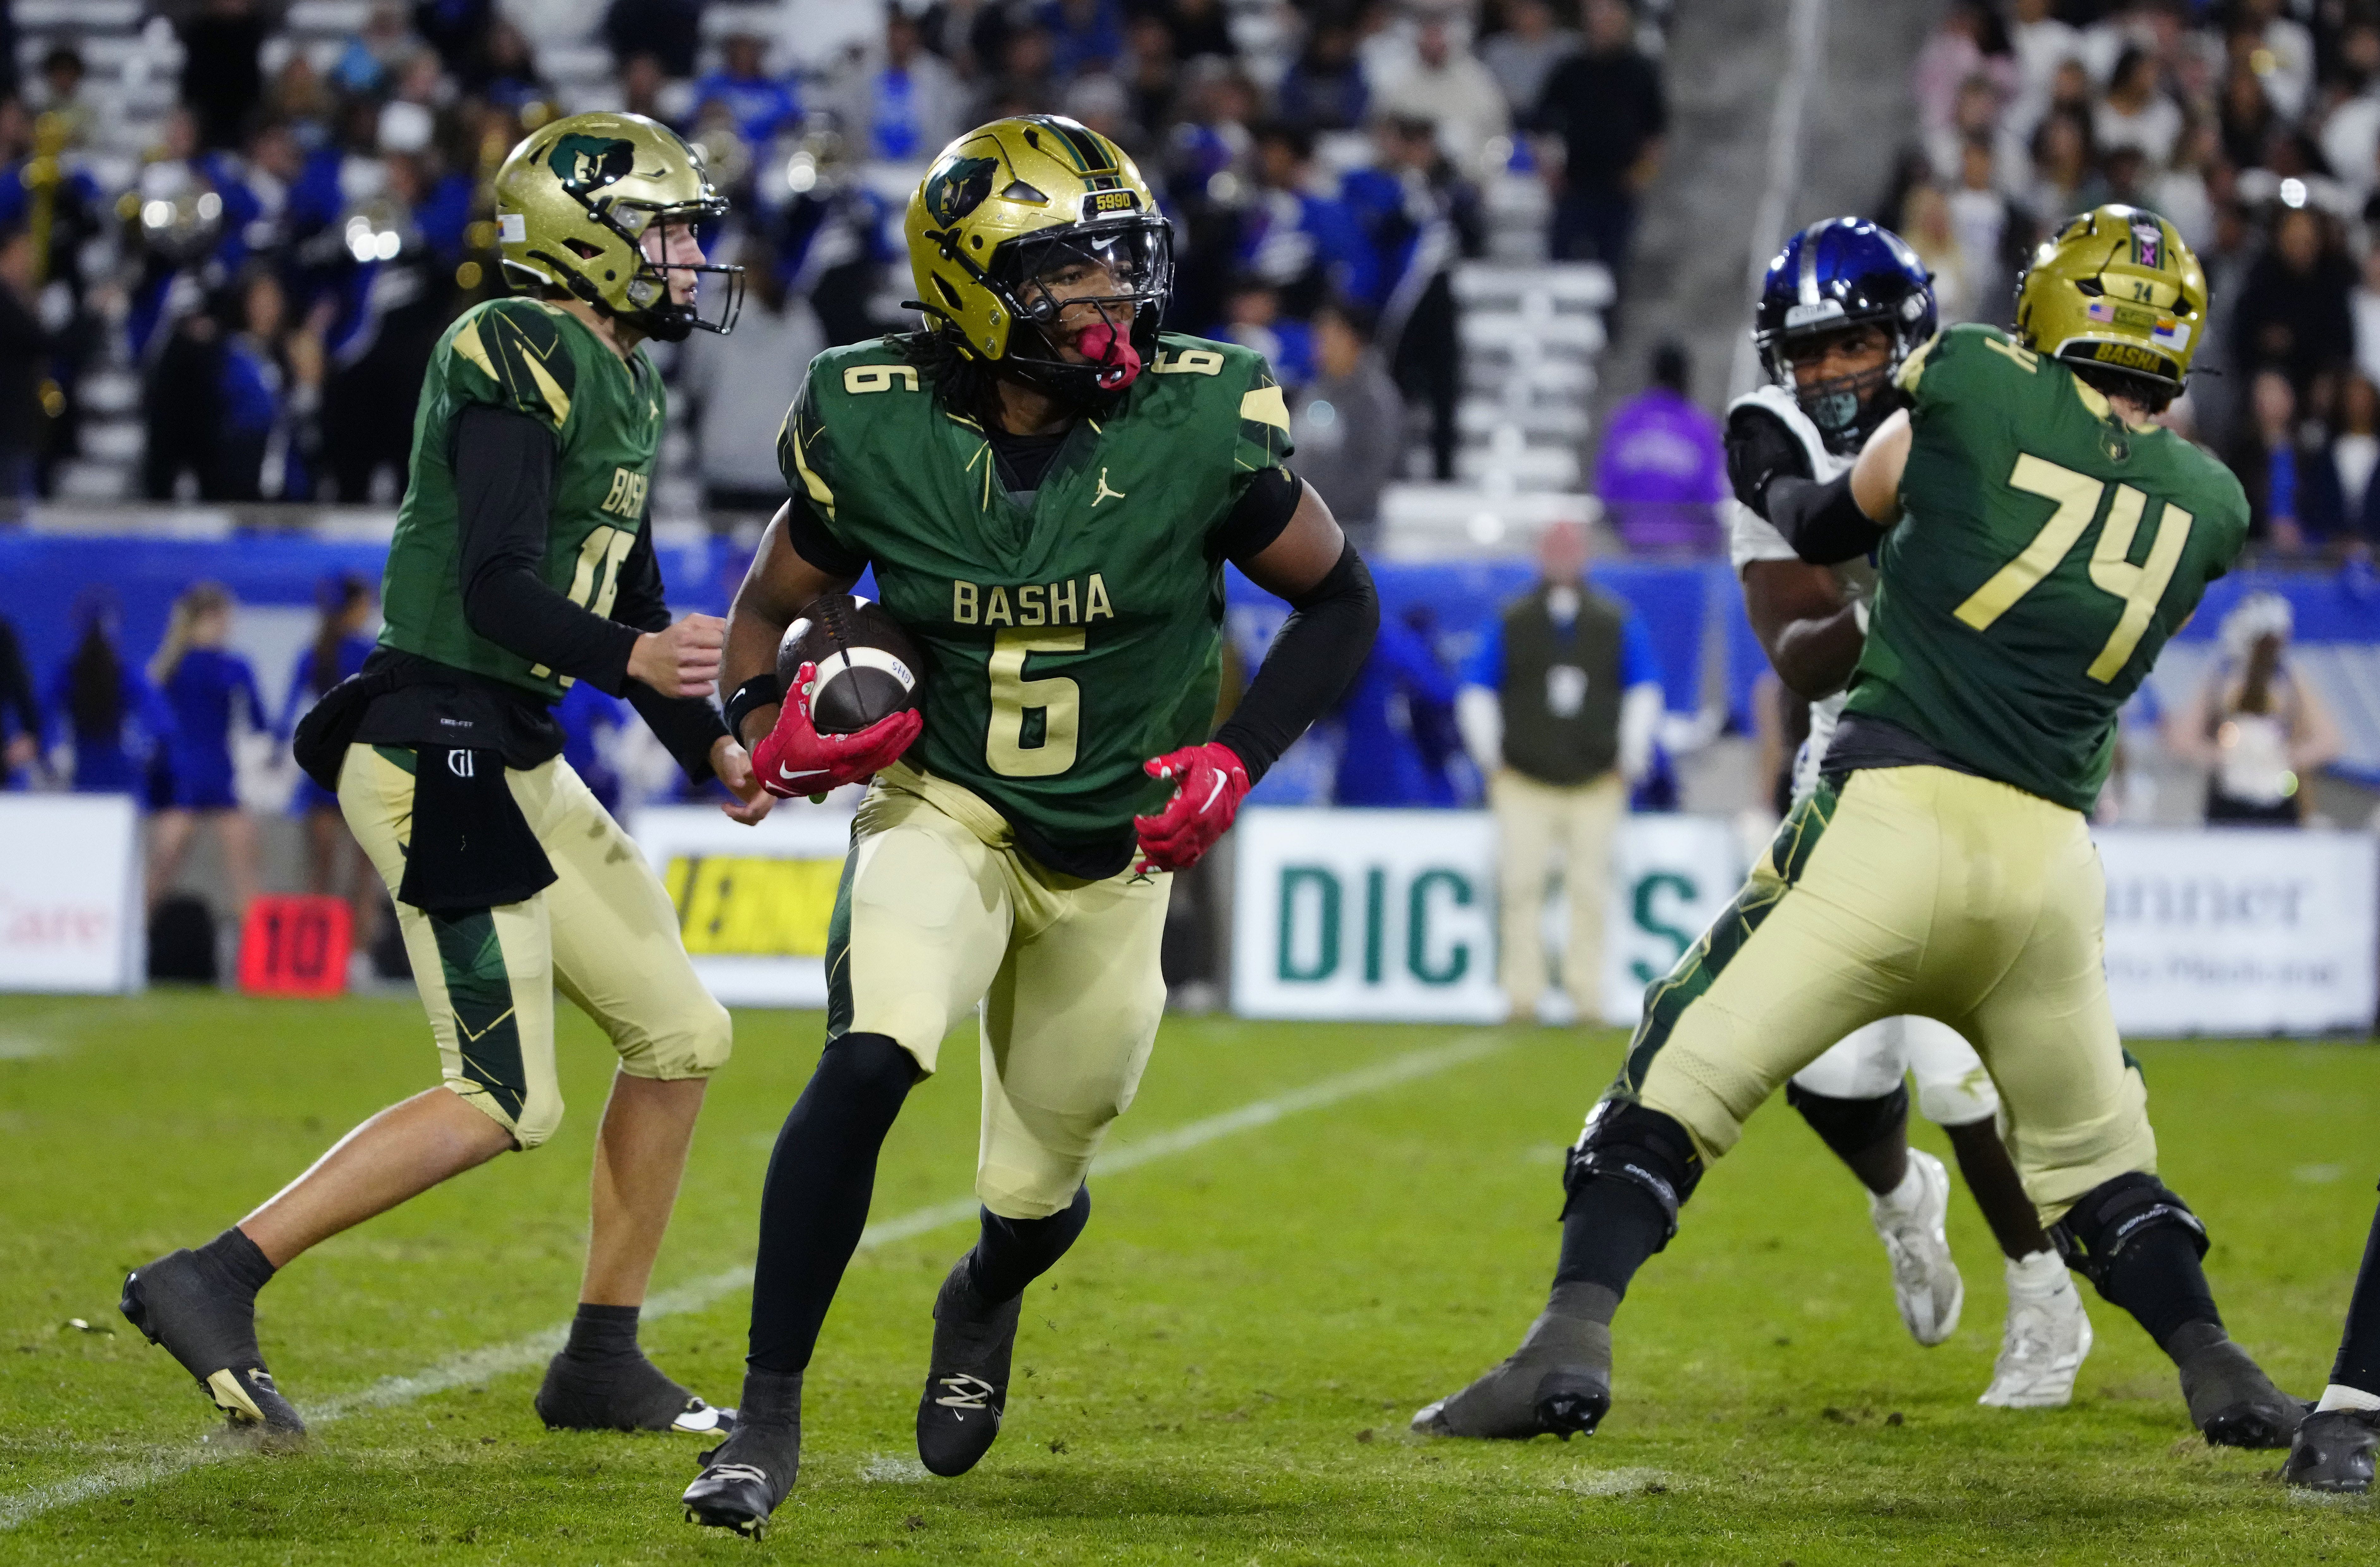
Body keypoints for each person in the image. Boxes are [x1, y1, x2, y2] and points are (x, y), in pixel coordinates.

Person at [1416, 206, 2306, 1458]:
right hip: (2047, 855)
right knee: (2100, 1162)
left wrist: (1785, 490)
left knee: (1680, 1066)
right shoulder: (2210, 501)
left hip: (1892, 810)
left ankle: (1564, 1339)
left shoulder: (1968, 382)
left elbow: (1831, 524)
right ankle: (2219, 1368)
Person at [678, 114, 1378, 1535]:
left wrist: (1237, 761)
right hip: (945, 804)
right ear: (975, 288)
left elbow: (1340, 600)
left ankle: (985, 1287)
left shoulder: (1202, 414)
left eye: (1117, 266)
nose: (1110, 301)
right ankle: (763, 1417)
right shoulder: (865, 412)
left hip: (1122, 841)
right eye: (1069, 272)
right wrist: (757, 729)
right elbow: (764, 610)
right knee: (874, 1051)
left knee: (1044, 1171)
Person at [118, 112, 763, 1450]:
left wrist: (709, 745)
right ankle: (213, 1276)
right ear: (589, 238)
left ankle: (599, 1357)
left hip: (510, 744)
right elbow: (497, 590)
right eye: (669, 228)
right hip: (437, 743)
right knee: (502, 1094)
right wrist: (639, 652)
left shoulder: (627, 373)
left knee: (683, 1035)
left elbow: (625, 605)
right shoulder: (508, 345)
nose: (693, 252)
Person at [1722, 216, 2092, 1409]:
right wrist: (1906, 609)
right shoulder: (1763, 434)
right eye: (1810, 350)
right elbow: (1796, 652)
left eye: (1855, 343)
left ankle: (2044, 1293)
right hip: (1847, 765)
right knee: (1823, 1072)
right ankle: (1899, 1197)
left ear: (1909, 333)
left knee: (1953, 1063)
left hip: (1982, 760)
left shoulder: (1973, 407)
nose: (1829, 370)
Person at [1455, 520, 1662, 1027]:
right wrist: (1491, 757)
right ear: (1540, 555)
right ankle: (1521, 994)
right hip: (1524, 775)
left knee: (1590, 888)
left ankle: (1586, 993)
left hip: (1595, 776)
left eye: (1571, 547)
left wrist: (1630, 756)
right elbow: (1476, 687)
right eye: (1555, 547)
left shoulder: (1615, 619)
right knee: (1520, 884)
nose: (1564, 556)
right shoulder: (1512, 618)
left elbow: (1643, 687)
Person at [279, 574, 384, 974]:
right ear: (355, 607)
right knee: (363, 870)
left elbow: (287, 712)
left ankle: (316, 955)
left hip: (324, 769)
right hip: (361, 768)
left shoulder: (316, 653)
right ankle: (354, 957)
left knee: (322, 870)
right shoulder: (367, 651)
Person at [145, 582, 267, 918]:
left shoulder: (176, 666)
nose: (228, 625)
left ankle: (254, 954)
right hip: (189, 775)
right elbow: (260, 720)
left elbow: (258, 720)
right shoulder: (176, 666)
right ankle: (134, 942)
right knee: (165, 868)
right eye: (224, 617)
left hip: (207, 773)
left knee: (243, 870)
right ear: (208, 617)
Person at [2164, 591, 2340, 825]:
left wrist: (2281, 759)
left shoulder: (2290, 679)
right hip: (2227, 800)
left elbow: (2330, 742)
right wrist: (2227, 758)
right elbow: (2181, 740)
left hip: (2279, 800)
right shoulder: (2222, 677)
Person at [1534, 0, 1665, 273]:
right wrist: (1549, 171)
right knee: (1560, 264)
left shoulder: (1640, 72)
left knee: (1612, 271)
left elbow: (1655, 133)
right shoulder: (1570, 69)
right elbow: (1542, 125)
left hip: (1619, 189)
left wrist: (1641, 176)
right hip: (1574, 186)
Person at [1288, 297, 1405, 551]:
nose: (1318, 346)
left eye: (1326, 337)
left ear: (1353, 339)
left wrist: (1322, 510)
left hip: (1354, 533)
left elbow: (1373, 471)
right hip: (1306, 527)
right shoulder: (1312, 391)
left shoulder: (1375, 397)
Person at [1595, 340, 1727, 553]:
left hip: (1630, 547)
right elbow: (1710, 496)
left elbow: (1606, 490)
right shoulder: (1699, 425)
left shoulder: (1626, 419)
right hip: (1682, 552)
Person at [46, 595, 170, 793]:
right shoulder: (72, 676)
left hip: (99, 772)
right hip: (100, 772)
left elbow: (160, 724)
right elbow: (161, 724)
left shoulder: (71, 675)